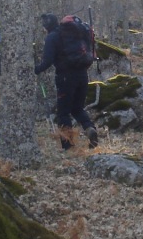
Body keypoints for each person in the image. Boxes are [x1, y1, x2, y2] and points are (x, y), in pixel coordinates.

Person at [34, 13, 98, 150]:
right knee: (77, 108)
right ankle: (90, 128)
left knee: (63, 113)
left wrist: (35, 70)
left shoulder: (52, 37)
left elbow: (47, 61)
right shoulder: (72, 35)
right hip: (82, 75)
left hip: (65, 78)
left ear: (47, 26)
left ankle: (67, 146)